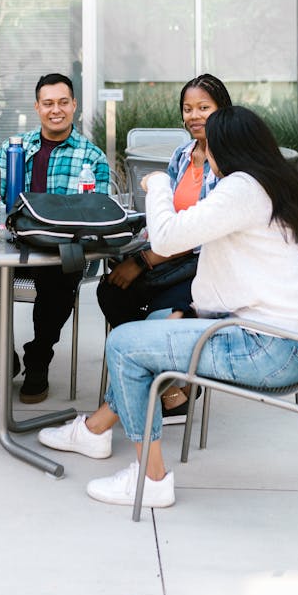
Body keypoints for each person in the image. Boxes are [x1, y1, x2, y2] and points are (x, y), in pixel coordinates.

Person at [40, 105, 298, 510]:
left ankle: (151, 479)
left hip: (269, 349)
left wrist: (159, 184)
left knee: (125, 344)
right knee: (154, 332)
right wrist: (192, 311)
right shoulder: (275, 185)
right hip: (285, 339)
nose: (202, 151)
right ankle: (95, 430)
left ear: (227, 148)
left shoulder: (242, 189)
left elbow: (166, 238)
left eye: (208, 145)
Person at [96, 74, 232, 422]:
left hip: (206, 266)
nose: (194, 116)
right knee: (111, 290)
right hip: (172, 256)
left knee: (161, 314)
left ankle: (160, 378)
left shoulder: (229, 163)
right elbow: (167, 215)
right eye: (188, 109)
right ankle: (170, 387)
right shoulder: (183, 154)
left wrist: (143, 261)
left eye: (204, 107)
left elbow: (202, 236)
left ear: (223, 110)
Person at [0, 73, 110, 403]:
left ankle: (38, 358)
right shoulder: (13, 149)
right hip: (13, 249)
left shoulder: (92, 157)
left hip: (61, 251)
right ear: (37, 107)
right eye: (48, 103)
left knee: (58, 281)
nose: (55, 110)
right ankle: (0, 353)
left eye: (63, 102)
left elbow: (97, 215)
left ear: (74, 106)